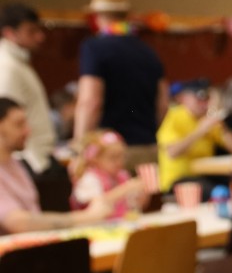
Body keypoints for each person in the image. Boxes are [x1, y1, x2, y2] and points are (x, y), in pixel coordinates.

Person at [0, 98, 141, 233]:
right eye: (18, 124)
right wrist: (88, 216)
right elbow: (18, 222)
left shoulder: (15, 164)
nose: (28, 130)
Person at [74, 0, 169, 167]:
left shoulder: (94, 48)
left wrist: (80, 146)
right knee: (145, 188)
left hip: (109, 154)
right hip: (148, 150)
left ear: (97, 16)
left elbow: (90, 101)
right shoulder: (148, 52)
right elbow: (163, 105)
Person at [157, 79, 232, 192]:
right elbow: (172, 152)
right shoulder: (174, 116)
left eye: (206, 98)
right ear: (183, 98)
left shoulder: (207, 119)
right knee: (218, 191)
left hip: (204, 176)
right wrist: (200, 131)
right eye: (198, 98)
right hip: (177, 180)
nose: (203, 103)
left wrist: (222, 126)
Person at [0, 3, 56, 174]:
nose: (40, 37)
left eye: (38, 30)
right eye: (31, 31)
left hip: (37, 157)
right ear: (9, 33)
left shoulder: (19, 62)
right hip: (27, 159)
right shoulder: (7, 66)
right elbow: (8, 119)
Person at [70, 130, 136, 217]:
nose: (119, 162)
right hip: (93, 224)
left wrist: (142, 195)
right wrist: (126, 189)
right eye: (113, 157)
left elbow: (133, 205)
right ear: (95, 159)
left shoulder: (122, 176)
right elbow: (97, 204)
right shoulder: (90, 178)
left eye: (122, 156)